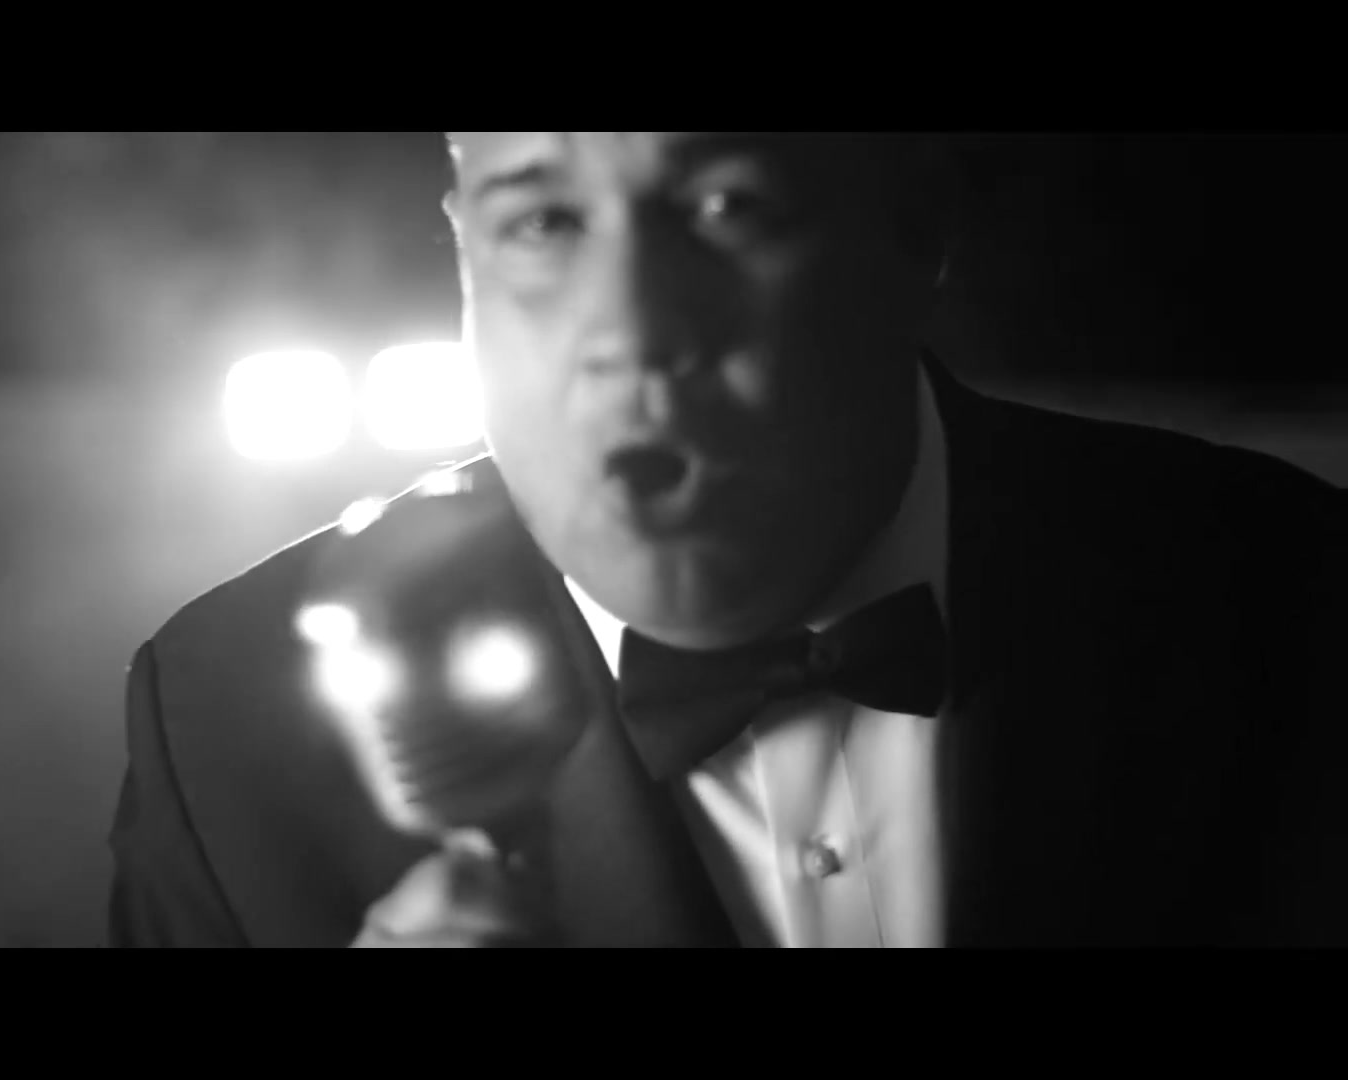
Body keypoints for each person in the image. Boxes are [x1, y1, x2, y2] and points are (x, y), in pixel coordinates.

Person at [105, 132, 1348, 948]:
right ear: (464, 248)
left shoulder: (1298, 601)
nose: (631, 334)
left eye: (725, 206)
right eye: (543, 223)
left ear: (915, 225)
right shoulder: (221, 734)